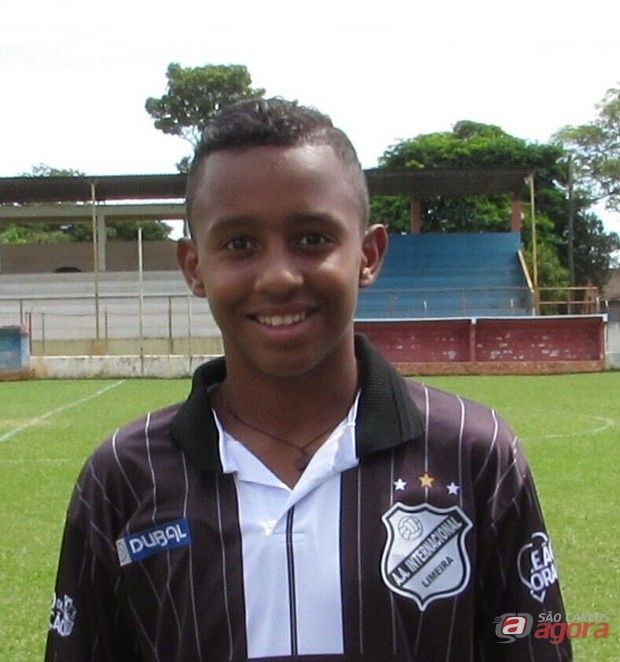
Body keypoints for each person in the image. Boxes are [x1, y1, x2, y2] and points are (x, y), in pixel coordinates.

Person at [46, 98, 571, 661]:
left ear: (368, 255)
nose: (278, 277)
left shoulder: (472, 454)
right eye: (239, 244)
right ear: (195, 268)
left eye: (312, 239)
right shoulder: (125, 477)